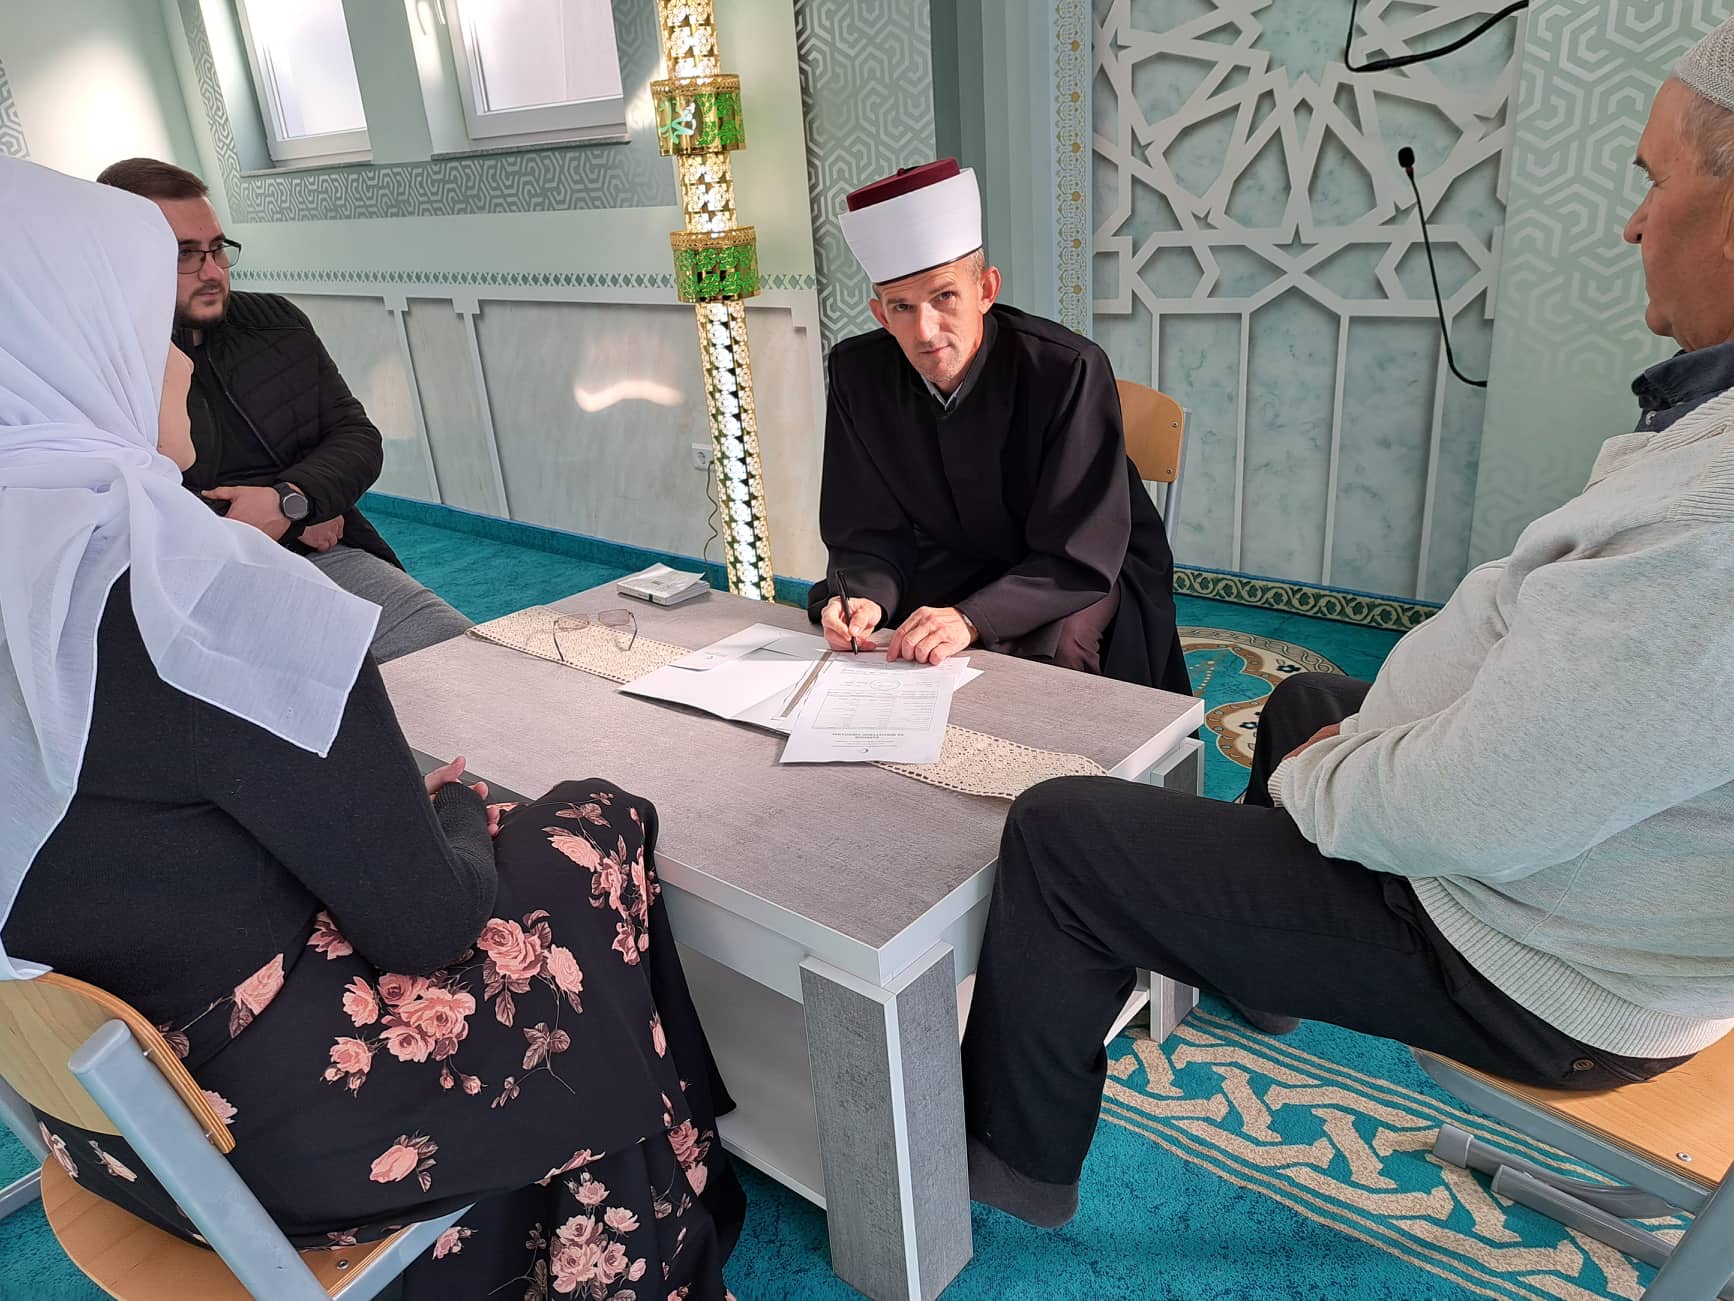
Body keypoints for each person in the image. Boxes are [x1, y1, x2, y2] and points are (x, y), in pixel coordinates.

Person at [956, 23, 1734, 1232]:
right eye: (902, 307)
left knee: (1063, 833)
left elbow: (1493, 803)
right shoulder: (863, 383)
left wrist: (1328, 778)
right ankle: (1262, 963)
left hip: (1541, 961)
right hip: (1553, 878)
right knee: (1307, 698)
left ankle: (1007, 1163)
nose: (1635, 223)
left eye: (1654, 180)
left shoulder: (1716, 527)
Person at [0, 158, 743, 1299]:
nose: (180, 357)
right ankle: (651, 1201)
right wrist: (452, 813)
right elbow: (425, 926)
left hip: (114, 1131)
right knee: (592, 822)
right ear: (81, 354)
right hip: (281, 1139)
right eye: (146, 320)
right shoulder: (208, 601)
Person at [807, 159, 1191, 694]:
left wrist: (970, 618)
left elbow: (1081, 547)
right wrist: (866, 596)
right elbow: (863, 527)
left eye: (944, 297)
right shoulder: (857, 373)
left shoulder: (1067, 369)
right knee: (879, 637)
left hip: (1078, 562)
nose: (925, 331)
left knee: (1060, 646)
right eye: (902, 306)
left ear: (986, 290)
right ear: (880, 314)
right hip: (954, 553)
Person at [96, 157, 472, 664]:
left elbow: (355, 436)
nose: (213, 272)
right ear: (123, 256)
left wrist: (293, 499)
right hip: (195, 591)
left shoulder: (275, 321)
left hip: (326, 554)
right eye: (185, 254)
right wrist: (297, 517)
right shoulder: (94, 360)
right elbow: (122, 513)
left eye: (217, 249)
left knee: (465, 660)